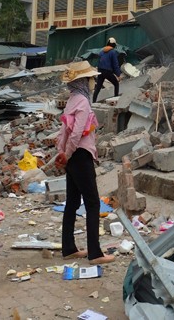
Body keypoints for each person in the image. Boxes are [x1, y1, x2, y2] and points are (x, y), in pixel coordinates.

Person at [56, 61, 115, 264]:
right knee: (92, 203)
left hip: (72, 157)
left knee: (72, 202)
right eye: (91, 78)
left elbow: (63, 132)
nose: (93, 81)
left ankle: (69, 248)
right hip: (80, 155)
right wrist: (69, 153)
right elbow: (78, 132)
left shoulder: (72, 100)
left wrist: (61, 152)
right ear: (82, 81)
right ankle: (95, 253)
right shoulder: (82, 101)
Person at [92, 37, 122, 103]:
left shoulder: (102, 51)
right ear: (113, 45)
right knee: (116, 84)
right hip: (107, 71)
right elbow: (115, 64)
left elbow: (99, 61)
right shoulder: (113, 52)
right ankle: (115, 100)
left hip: (100, 71)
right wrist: (118, 75)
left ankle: (93, 102)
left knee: (98, 87)